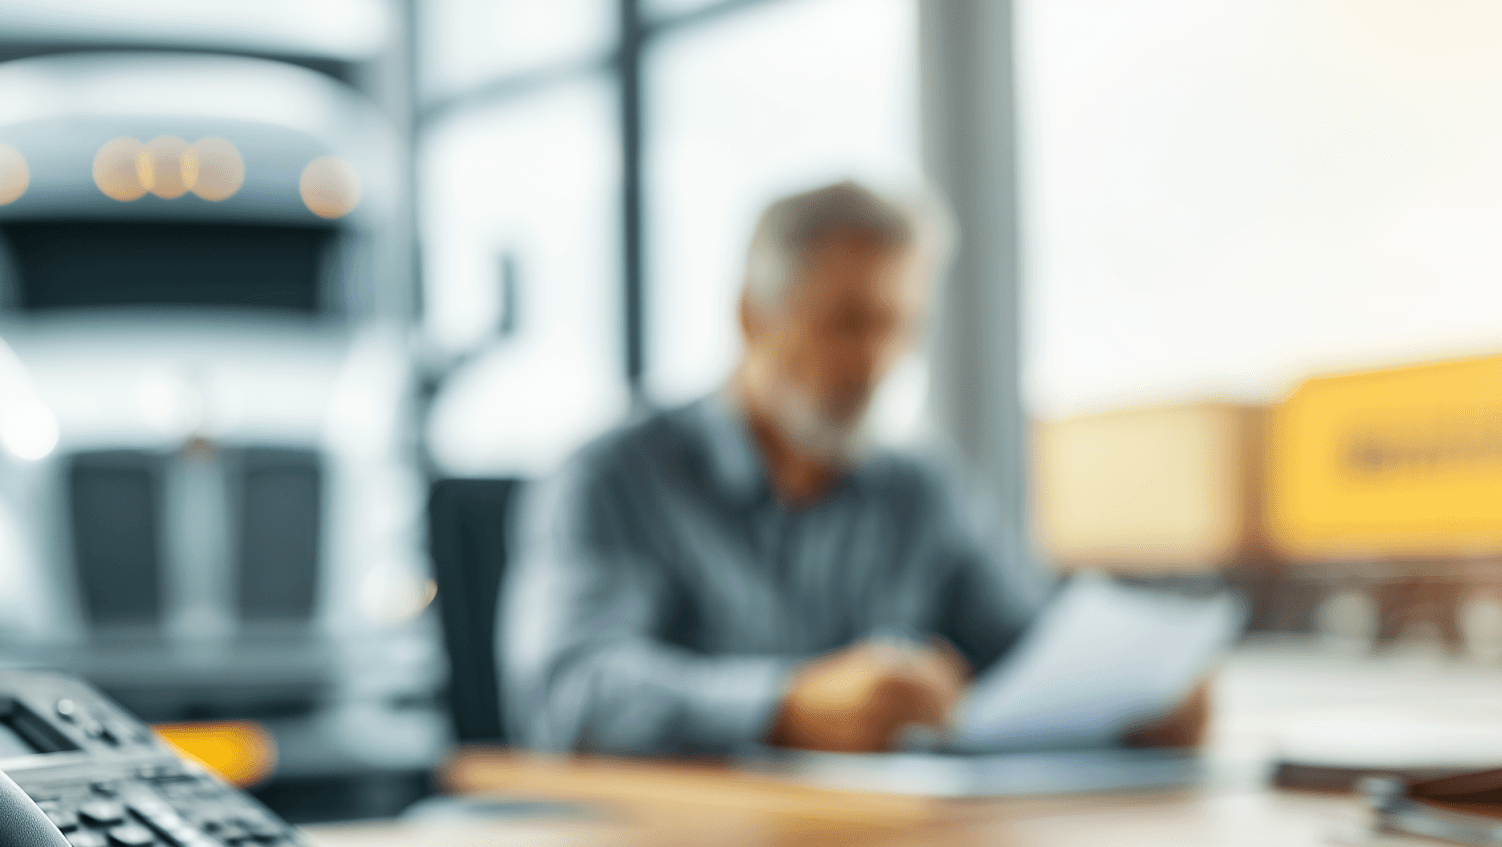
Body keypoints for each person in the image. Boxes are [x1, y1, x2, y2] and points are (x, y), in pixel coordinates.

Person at [499, 180, 1206, 755]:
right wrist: (787, 705)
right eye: (845, 323)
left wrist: (1137, 695)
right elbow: (570, 689)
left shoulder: (920, 491)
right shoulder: (614, 479)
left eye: (897, 326)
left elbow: (1031, 656)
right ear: (752, 317)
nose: (874, 363)